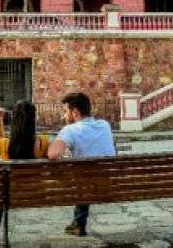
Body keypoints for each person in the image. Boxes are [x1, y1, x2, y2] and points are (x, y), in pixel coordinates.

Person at [47, 92, 115, 237]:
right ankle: (78, 223)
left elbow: (52, 154)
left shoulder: (70, 130)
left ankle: (79, 223)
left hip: (84, 186)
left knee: (81, 177)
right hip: (109, 183)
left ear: (75, 112)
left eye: (66, 112)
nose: (63, 116)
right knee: (87, 173)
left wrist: (61, 138)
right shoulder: (105, 125)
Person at [0, 101, 48, 246]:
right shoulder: (43, 143)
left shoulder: (4, 146)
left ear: (14, 119)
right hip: (36, 193)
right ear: (33, 119)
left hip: (10, 195)